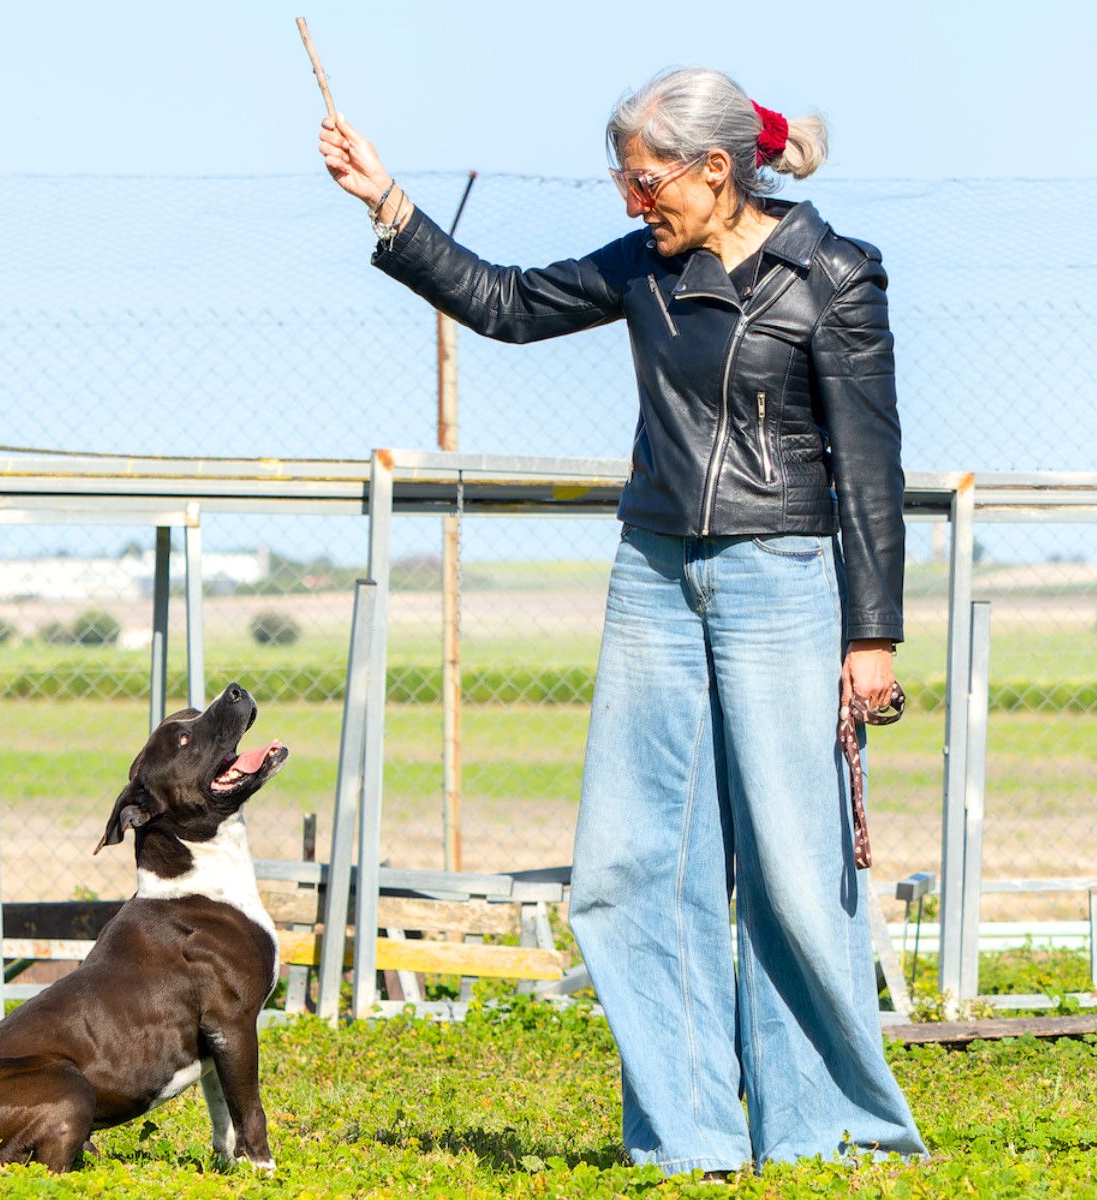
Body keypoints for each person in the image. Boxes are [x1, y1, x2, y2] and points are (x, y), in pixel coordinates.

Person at [317, 66, 927, 1175]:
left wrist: (870, 633)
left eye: (647, 181)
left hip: (782, 577)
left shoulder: (833, 274)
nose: (633, 201)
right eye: (623, 181)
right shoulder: (646, 264)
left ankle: (834, 1134)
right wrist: (387, 203)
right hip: (653, 573)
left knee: (796, 872)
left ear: (715, 169)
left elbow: (870, 468)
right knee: (633, 866)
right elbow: (506, 304)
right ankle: (689, 1139)